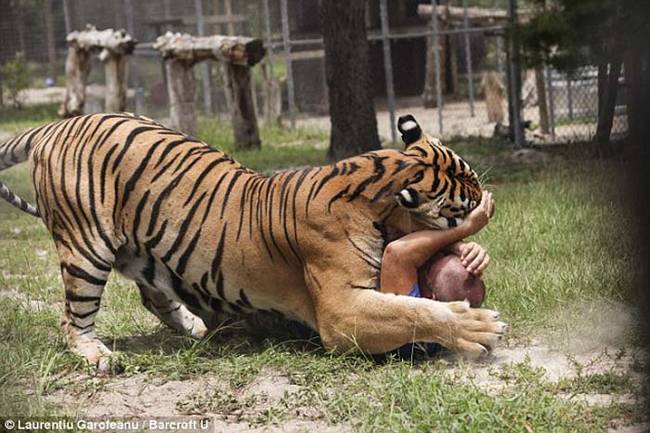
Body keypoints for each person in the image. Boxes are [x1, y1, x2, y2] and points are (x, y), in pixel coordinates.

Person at [379, 191, 495, 357]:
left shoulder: (411, 338)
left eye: (430, 266)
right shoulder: (444, 329)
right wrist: (460, 248)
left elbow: (398, 252)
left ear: (430, 296)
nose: (430, 257)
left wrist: (466, 228)